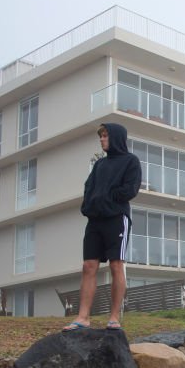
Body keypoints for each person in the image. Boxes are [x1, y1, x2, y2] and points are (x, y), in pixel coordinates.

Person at [63, 123, 141, 331]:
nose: (102, 139)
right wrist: (88, 206)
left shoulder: (130, 161)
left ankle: (114, 317)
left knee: (116, 265)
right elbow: (89, 187)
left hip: (117, 218)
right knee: (88, 266)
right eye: (101, 136)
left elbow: (130, 189)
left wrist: (108, 199)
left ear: (115, 137)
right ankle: (83, 317)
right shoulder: (99, 165)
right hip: (95, 220)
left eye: (105, 136)